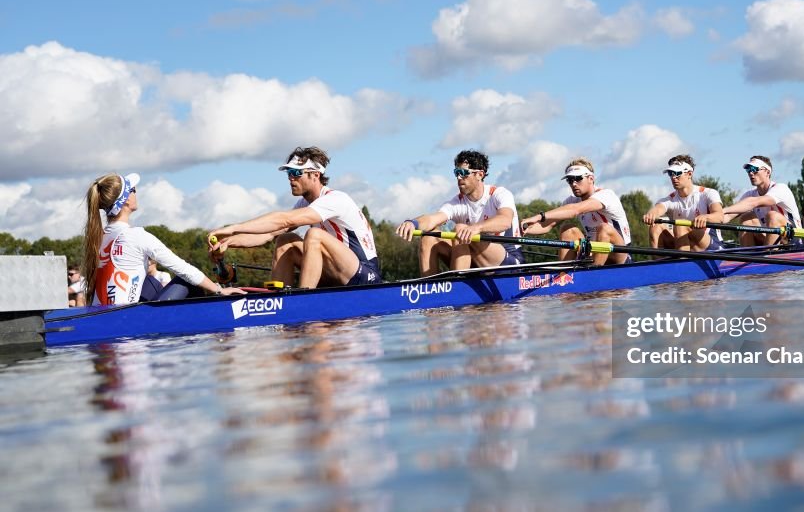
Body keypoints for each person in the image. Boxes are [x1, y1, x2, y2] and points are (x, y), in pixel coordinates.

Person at [209, 146, 380, 288]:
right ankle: (279, 301)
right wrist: (228, 241)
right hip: (336, 272)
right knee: (285, 240)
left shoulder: (335, 199)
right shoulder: (304, 204)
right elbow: (268, 233)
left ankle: (302, 299)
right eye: (288, 173)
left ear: (315, 175)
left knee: (315, 235)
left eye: (296, 172)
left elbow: (284, 219)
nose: (291, 178)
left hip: (364, 274)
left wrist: (233, 227)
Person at [82, 173, 245, 306]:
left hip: (103, 315)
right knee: (187, 280)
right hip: (127, 320)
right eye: (133, 190)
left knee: (150, 281)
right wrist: (219, 290)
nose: (136, 193)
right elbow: (183, 269)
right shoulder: (137, 235)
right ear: (126, 200)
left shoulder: (98, 238)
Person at [395, 150, 523, 275]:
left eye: (463, 173)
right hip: (475, 262)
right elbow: (432, 219)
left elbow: (505, 220)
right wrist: (413, 223)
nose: (459, 177)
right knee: (429, 237)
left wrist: (476, 228)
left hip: (508, 262)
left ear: (480, 174)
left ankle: (456, 283)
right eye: (456, 172)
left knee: (460, 228)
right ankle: (430, 285)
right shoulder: (457, 202)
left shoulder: (499, 194)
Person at [520, 158, 631, 265]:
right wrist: (520, 229)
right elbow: (546, 225)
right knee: (568, 230)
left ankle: (594, 273)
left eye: (578, 178)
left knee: (604, 228)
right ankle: (564, 275)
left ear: (591, 179)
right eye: (570, 180)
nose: (573, 184)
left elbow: (575, 210)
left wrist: (539, 216)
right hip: (593, 253)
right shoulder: (572, 201)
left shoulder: (606, 195)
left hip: (620, 254)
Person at [641, 154, 724, 252]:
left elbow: (720, 217)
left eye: (677, 173)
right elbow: (658, 209)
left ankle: (682, 260)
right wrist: (651, 215)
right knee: (655, 227)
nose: (673, 177)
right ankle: (661, 261)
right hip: (682, 243)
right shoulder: (669, 199)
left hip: (711, 246)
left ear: (689, 174)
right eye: (670, 173)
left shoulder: (708, 193)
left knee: (681, 226)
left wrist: (705, 217)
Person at [721, 155, 801, 246]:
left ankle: (768, 254)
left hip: (794, 240)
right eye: (748, 169)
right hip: (773, 239)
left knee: (773, 216)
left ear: (767, 172)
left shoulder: (781, 188)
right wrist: (711, 217)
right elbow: (727, 216)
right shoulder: (750, 194)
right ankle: (749, 254)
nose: (751, 173)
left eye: (754, 169)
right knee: (746, 218)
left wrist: (724, 210)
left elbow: (754, 202)